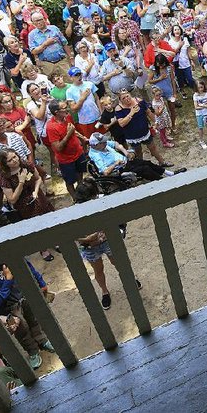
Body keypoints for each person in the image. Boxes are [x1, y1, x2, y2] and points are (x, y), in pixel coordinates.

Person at [73, 179, 142, 311]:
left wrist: (103, 232)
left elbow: (115, 219)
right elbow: (73, 234)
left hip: (107, 240)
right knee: (98, 270)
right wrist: (86, 239)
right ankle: (105, 292)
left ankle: (130, 279)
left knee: (119, 263)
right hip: (89, 246)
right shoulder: (75, 209)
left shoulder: (103, 201)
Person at [0, 264, 56, 370]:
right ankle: (32, 351)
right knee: (21, 330)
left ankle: (42, 340)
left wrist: (41, 282)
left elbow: (26, 264)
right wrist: (8, 280)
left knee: (34, 320)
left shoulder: (3, 255)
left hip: (24, 295)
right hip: (8, 308)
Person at [0, 148, 55, 261]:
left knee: (49, 220)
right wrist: (21, 182)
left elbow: (37, 179)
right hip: (24, 206)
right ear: (4, 163)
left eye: (15, 156)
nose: (14, 160)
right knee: (36, 228)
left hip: (38, 198)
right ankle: (43, 249)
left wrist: (36, 191)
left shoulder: (26, 165)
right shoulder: (4, 178)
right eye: (10, 160)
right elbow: (12, 199)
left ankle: (54, 242)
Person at [87, 132, 183, 180]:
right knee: (144, 169)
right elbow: (105, 172)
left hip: (125, 161)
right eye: (102, 143)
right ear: (95, 145)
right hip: (118, 169)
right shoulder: (96, 156)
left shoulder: (102, 144)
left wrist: (125, 152)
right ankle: (162, 180)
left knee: (147, 162)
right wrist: (116, 163)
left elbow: (116, 144)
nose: (105, 143)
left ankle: (170, 173)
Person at [46, 100, 90, 200]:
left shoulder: (67, 117)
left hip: (78, 153)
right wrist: (68, 134)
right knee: (70, 181)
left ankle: (81, 192)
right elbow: (58, 148)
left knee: (80, 174)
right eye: (64, 108)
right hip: (66, 160)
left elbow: (73, 131)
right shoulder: (51, 127)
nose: (67, 109)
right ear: (56, 112)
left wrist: (83, 138)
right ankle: (76, 199)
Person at [114, 88, 167, 165]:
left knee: (153, 148)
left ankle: (162, 162)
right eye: (123, 98)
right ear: (120, 100)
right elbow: (122, 124)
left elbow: (148, 112)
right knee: (138, 152)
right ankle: (143, 167)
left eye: (127, 96)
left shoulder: (139, 101)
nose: (126, 99)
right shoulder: (119, 109)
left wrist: (155, 122)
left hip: (145, 131)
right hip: (132, 136)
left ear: (130, 95)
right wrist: (131, 113)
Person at [66, 67, 101, 137]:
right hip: (85, 121)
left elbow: (97, 98)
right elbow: (73, 109)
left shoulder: (89, 84)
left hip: (97, 117)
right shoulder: (69, 91)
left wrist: (101, 112)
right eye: (76, 75)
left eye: (80, 74)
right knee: (91, 140)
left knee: (101, 137)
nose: (79, 77)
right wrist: (82, 98)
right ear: (71, 77)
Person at [148, 53, 177, 132]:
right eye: (159, 65)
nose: (160, 66)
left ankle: (173, 125)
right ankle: (166, 127)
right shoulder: (153, 68)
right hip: (158, 94)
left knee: (172, 109)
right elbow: (150, 81)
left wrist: (174, 92)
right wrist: (159, 78)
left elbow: (172, 80)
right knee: (162, 112)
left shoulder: (169, 67)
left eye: (162, 64)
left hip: (169, 91)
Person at [193, 80, 207, 149]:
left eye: (201, 87)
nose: (200, 89)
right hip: (199, 115)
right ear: (196, 88)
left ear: (204, 86)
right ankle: (201, 141)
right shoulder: (195, 95)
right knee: (200, 127)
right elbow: (196, 107)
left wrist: (201, 105)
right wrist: (205, 105)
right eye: (198, 88)